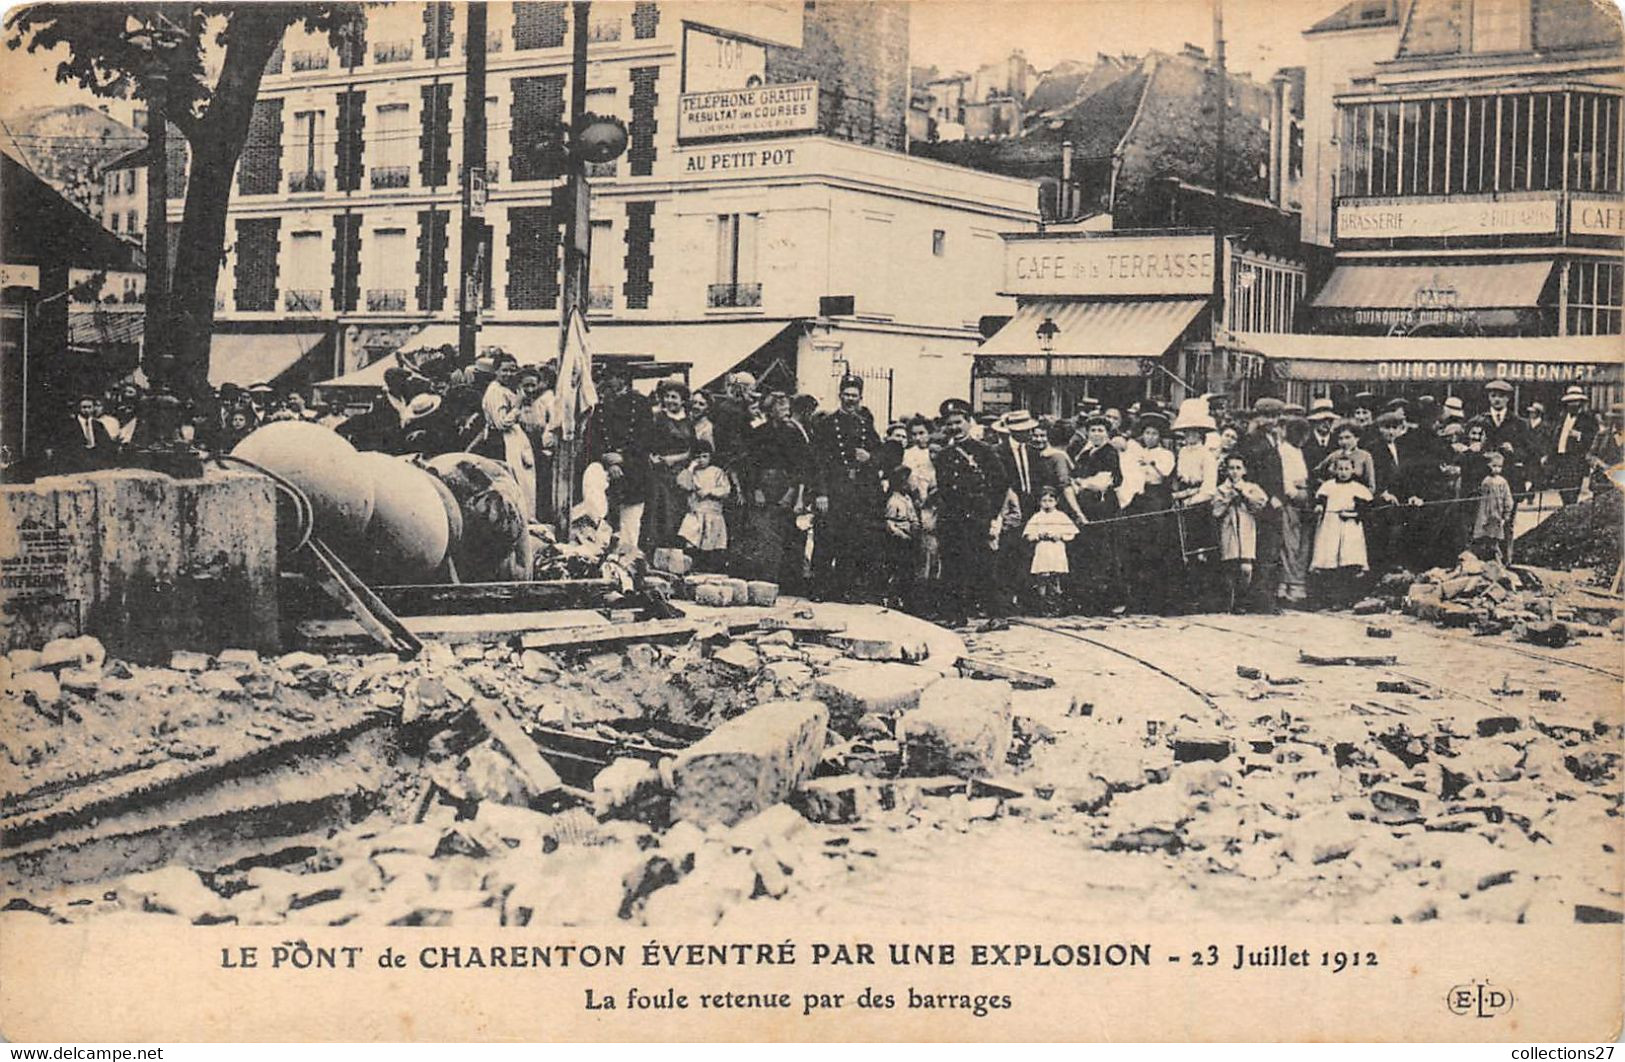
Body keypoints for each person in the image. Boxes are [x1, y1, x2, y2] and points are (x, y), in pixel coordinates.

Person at [933, 398, 1005, 625]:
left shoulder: (984, 451)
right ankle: (956, 615)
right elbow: (944, 489)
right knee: (952, 567)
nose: (954, 427)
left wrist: (989, 514)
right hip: (951, 518)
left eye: (958, 422)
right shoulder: (944, 454)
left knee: (983, 566)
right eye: (950, 424)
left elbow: (1000, 484)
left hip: (975, 518)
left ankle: (997, 616)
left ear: (968, 422)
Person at [810, 375, 882, 601]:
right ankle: (819, 589)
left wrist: (869, 457)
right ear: (840, 395)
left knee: (850, 541)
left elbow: (880, 452)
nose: (850, 399)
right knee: (825, 540)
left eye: (855, 396)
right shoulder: (827, 423)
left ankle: (843, 589)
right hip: (833, 489)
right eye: (847, 395)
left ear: (860, 397)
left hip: (856, 492)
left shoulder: (865, 423)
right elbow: (818, 461)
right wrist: (821, 492)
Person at [738, 391, 814, 590]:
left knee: (787, 533)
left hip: (786, 485)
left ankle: (787, 583)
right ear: (770, 410)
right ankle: (763, 580)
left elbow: (802, 465)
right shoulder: (759, 432)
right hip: (763, 484)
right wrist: (756, 489)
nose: (785, 411)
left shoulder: (794, 432)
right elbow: (751, 463)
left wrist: (792, 492)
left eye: (787, 407)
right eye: (781, 407)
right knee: (762, 532)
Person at [583, 363, 652, 554]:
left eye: (611, 377)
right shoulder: (599, 407)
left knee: (631, 519)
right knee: (593, 488)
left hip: (633, 465)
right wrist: (607, 460)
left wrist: (623, 458)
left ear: (622, 379)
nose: (607, 382)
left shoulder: (641, 404)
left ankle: (628, 556)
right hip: (606, 465)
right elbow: (592, 439)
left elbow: (646, 438)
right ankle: (598, 547)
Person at [1236, 397, 1288, 613]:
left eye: (1275, 416)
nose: (1271, 420)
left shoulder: (1271, 439)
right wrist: (1269, 495)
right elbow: (1258, 474)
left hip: (1272, 501)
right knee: (1262, 550)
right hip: (1260, 501)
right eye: (1267, 416)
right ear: (1257, 417)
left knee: (1270, 550)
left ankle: (1265, 598)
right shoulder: (1252, 441)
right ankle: (1260, 600)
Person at [1121, 411, 1175, 613]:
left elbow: (1165, 473)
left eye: (1154, 433)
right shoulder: (1136, 452)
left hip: (1155, 497)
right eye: (1147, 433)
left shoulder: (1165, 454)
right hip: (1138, 496)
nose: (1150, 437)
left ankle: (1155, 599)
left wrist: (1151, 463)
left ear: (1160, 436)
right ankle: (1135, 597)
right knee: (1135, 545)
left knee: (1154, 545)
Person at [1071, 412, 1124, 612]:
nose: (1096, 434)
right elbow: (1075, 478)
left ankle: (1111, 600)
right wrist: (1081, 483)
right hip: (1087, 506)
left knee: (1106, 551)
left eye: (1100, 430)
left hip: (1104, 508)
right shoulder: (1085, 454)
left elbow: (1103, 481)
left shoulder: (1109, 452)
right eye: (1092, 430)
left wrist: (1083, 483)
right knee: (1088, 551)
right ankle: (1089, 600)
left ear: (1107, 433)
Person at [1310, 452, 1373, 609]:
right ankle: (1329, 599)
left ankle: (1347, 599)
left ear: (1352, 470)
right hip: (1331, 527)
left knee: (1348, 562)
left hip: (1350, 527)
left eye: (1346, 469)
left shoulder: (1358, 488)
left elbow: (1365, 510)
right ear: (1335, 470)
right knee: (1329, 561)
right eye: (1340, 469)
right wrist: (1319, 507)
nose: (1343, 472)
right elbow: (1320, 501)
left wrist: (1352, 514)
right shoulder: (1328, 486)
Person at [479, 353, 537, 523]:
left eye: (512, 370)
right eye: (504, 370)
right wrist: (517, 407)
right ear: (496, 371)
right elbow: (501, 423)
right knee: (512, 481)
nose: (509, 374)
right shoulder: (495, 391)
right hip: (502, 441)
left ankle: (524, 517)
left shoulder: (507, 389)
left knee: (523, 481)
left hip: (514, 439)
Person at [1211, 453, 1269, 613]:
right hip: (1228, 530)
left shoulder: (1251, 487)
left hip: (1246, 529)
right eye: (1231, 468)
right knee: (1230, 566)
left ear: (1244, 470)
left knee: (1246, 568)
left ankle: (1242, 598)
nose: (1234, 472)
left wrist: (1245, 495)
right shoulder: (1221, 489)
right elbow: (1216, 511)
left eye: (1238, 468)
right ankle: (1231, 602)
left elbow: (1261, 503)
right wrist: (1229, 498)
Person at [642, 379, 696, 550]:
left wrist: (680, 461)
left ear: (682, 400)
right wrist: (653, 457)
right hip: (660, 473)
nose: (670, 400)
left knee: (678, 512)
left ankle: (674, 554)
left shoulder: (689, 421)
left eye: (674, 397)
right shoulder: (658, 418)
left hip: (680, 473)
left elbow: (694, 449)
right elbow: (646, 442)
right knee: (658, 512)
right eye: (667, 396)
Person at [1369, 410, 1425, 571]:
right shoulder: (1373, 448)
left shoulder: (1402, 447)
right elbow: (1373, 475)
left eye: (1395, 427)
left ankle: (1406, 564)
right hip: (1381, 498)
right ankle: (1386, 566)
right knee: (1390, 527)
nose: (1391, 431)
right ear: (1380, 428)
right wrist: (1383, 492)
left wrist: (1413, 495)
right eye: (1387, 427)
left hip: (1400, 496)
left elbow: (1406, 475)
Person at [1023, 485, 1079, 614]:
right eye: (1044, 501)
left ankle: (1056, 606)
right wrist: (1038, 536)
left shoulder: (1061, 516)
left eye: (1050, 501)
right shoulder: (1037, 517)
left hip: (1056, 549)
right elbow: (1028, 535)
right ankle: (1042, 606)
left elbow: (1072, 533)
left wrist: (1060, 536)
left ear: (1056, 501)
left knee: (1055, 576)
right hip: (1043, 549)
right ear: (1039, 502)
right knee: (1042, 577)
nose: (1047, 504)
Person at [676, 439, 730, 571]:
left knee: (711, 543)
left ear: (710, 457)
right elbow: (682, 484)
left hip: (712, 513)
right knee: (691, 540)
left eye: (705, 456)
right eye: (697, 457)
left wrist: (710, 491)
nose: (701, 460)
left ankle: (710, 570)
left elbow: (725, 490)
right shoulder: (692, 473)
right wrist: (691, 467)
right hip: (696, 512)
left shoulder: (716, 472)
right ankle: (692, 568)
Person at [1548, 386, 1600, 506]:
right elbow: (1556, 437)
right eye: (1570, 401)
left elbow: (1594, 438)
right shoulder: (1562, 417)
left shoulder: (1588, 419)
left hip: (1575, 460)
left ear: (1580, 403)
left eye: (1575, 401)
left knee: (1572, 490)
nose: (1572, 404)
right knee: (1561, 488)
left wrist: (1579, 435)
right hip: (1560, 458)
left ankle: (1570, 513)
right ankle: (1567, 510)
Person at [880, 464, 922, 612]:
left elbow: (914, 516)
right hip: (900, 541)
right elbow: (890, 524)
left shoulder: (908, 499)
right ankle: (894, 599)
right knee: (899, 570)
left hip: (910, 538)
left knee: (909, 571)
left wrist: (916, 527)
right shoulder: (894, 501)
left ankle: (909, 600)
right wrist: (902, 535)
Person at [1472, 450, 1516, 562]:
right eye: (1494, 466)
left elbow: (1508, 499)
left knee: (1495, 540)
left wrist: (1506, 515)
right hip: (1485, 514)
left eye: (1499, 467)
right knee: (1484, 538)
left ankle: (1499, 561)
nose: (1496, 469)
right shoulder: (1485, 481)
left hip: (1496, 514)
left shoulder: (1502, 482)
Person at [56, 394, 117, 473]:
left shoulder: (98, 425)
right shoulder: (70, 425)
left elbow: (106, 444)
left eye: (89, 407)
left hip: (96, 462)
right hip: (77, 462)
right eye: (84, 407)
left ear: (93, 408)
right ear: (78, 408)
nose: (87, 410)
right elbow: (68, 446)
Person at [1302, 397, 1339, 473]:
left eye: (1330, 420)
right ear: (1315, 421)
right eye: (1322, 420)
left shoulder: (1337, 442)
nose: (1326, 424)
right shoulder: (1304, 441)